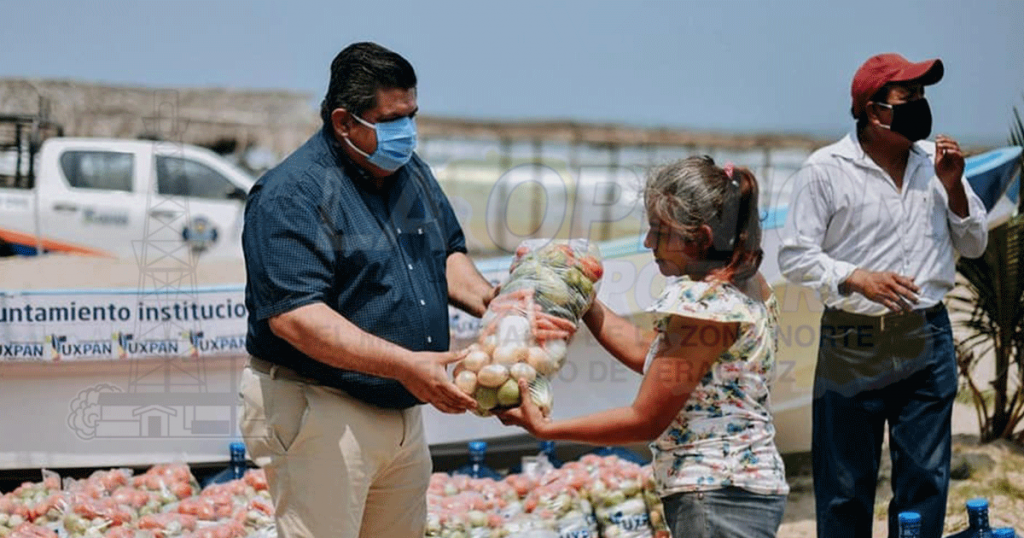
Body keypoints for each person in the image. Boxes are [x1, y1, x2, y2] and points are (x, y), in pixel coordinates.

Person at [238, 42, 495, 538]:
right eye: (392, 119)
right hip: (321, 408)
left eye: (412, 115)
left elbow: (445, 254)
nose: (408, 132)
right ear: (343, 122)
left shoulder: (409, 172)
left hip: (401, 412)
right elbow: (296, 316)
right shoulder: (292, 194)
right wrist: (404, 364)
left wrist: (493, 301)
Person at [499, 156, 790, 538]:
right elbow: (651, 355)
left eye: (659, 230)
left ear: (700, 237)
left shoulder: (703, 304)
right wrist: (580, 296)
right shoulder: (747, 284)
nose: (647, 242)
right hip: (742, 487)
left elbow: (646, 418)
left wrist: (546, 428)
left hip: (715, 492)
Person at [778, 53, 988, 538]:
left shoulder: (938, 164)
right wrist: (856, 277)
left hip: (926, 336)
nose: (920, 105)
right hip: (852, 341)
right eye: (907, 97)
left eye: (922, 95)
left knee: (925, 483)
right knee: (845, 485)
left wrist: (954, 189)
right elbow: (794, 256)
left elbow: (974, 243)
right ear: (875, 112)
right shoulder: (824, 169)